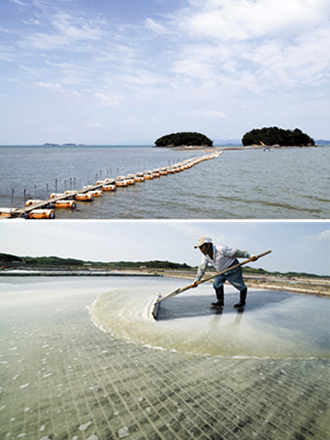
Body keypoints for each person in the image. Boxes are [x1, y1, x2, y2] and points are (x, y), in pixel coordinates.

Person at [192, 236, 258, 308]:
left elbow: (236, 252)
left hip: (233, 268)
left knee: (240, 285)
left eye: (202, 247)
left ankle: (242, 302)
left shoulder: (220, 249)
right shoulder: (205, 256)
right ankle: (220, 301)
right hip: (221, 272)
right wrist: (197, 279)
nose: (201, 250)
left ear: (208, 245)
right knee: (216, 283)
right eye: (199, 248)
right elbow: (202, 267)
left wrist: (249, 256)